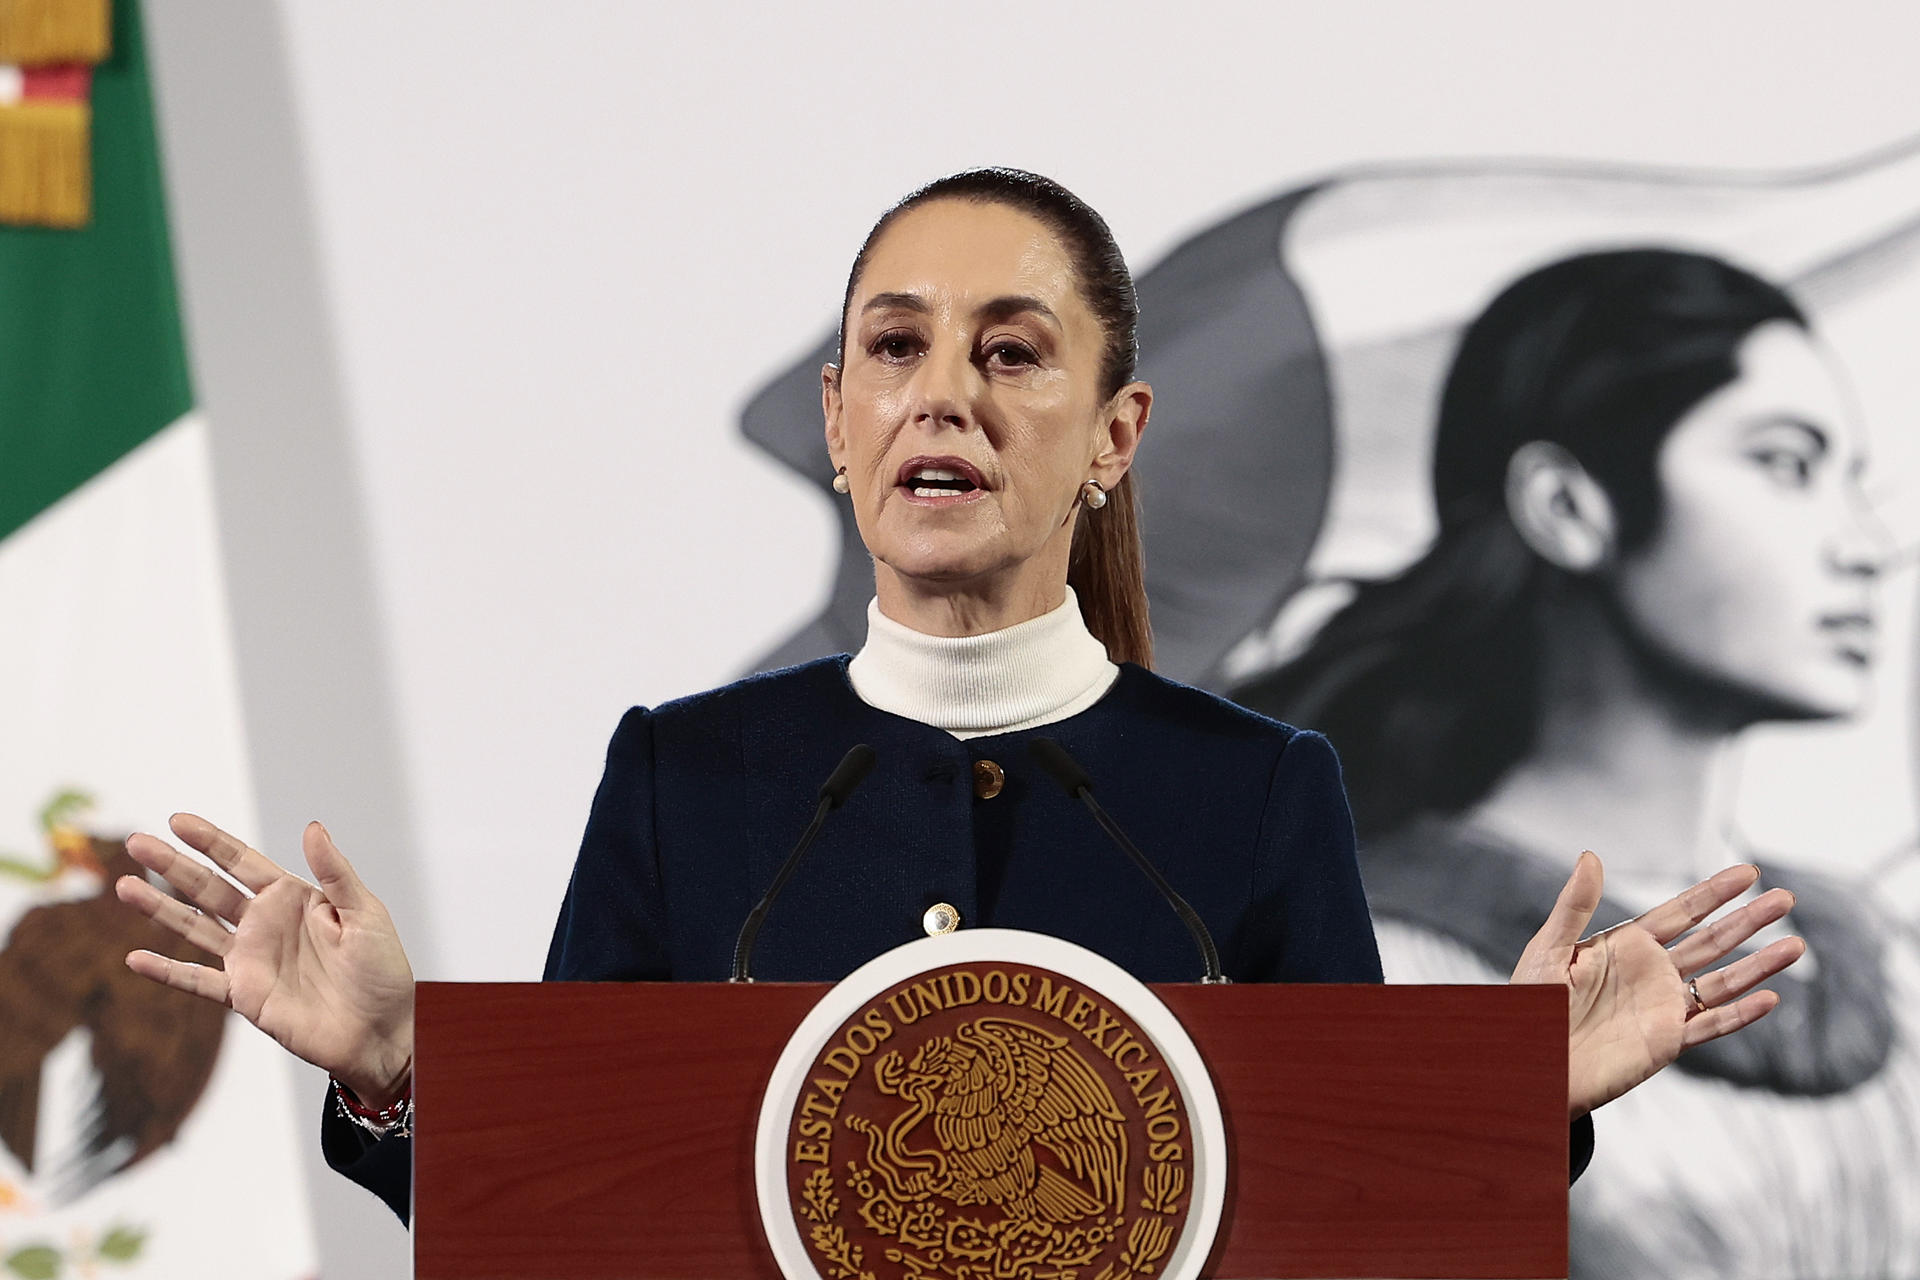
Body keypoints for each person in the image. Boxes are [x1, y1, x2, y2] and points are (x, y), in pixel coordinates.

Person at [111, 174, 1801, 1228]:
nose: (949, 397)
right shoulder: (685, 779)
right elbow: (574, 1213)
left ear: (1118, 434)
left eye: (1010, 353)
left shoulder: (1258, 791)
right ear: (840, 420)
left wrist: (1503, 1110)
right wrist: (402, 1069)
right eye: (898, 350)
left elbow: (1333, 1227)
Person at [1235, 248, 1918, 1277]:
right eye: (1785, 463)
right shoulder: (1367, 969)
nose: (1868, 544)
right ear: (1567, 504)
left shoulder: (1894, 963)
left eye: (1853, 481)